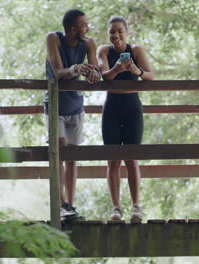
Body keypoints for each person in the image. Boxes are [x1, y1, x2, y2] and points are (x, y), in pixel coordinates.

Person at [44, 9, 100, 221]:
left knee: (72, 158)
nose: (88, 28)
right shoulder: (53, 39)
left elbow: (95, 68)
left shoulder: (88, 43)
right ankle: (60, 206)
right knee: (58, 155)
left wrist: (93, 73)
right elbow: (58, 72)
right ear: (72, 29)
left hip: (76, 105)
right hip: (56, 104)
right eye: (84, 25)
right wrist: (77, 68)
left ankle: (70, 205)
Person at [96, 16, 154, 222]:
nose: (116, 35)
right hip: (111, 107)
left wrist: (136, 70)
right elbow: (104, 75)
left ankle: (136, 207)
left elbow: (150, 76)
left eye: (120, 31)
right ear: (108, 33)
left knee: (131, 158)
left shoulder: (136, 50)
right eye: (112, 31)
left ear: (126, 32)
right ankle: (115, 209)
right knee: (113, 160)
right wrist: (117, 69)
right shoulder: (103, 50)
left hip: (132, 108)